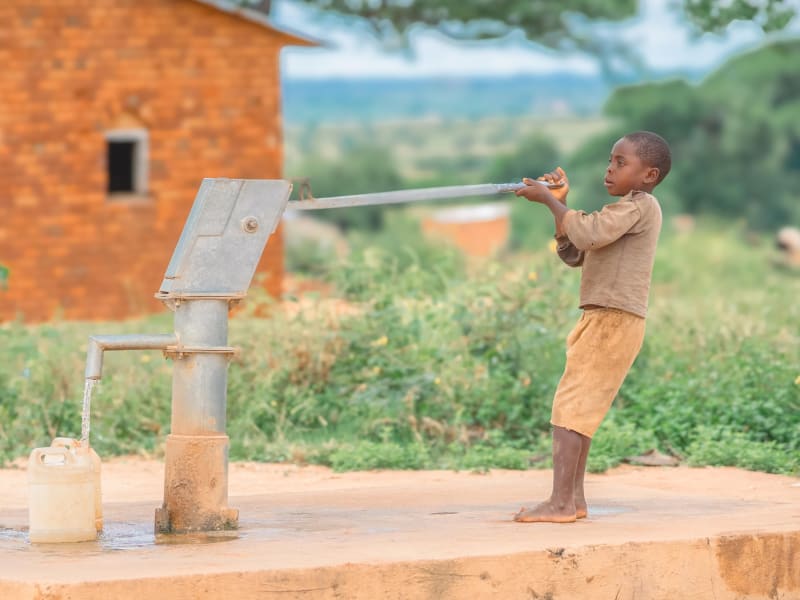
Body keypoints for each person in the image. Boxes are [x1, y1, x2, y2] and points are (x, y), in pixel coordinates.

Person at [512, 130, 671, 523]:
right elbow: (575, 251)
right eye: (610, 160)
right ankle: (574, 500)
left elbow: (586, 231)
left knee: (570, 409)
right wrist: (560, 206)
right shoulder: (624, 212)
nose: (610, 169)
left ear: (648, 176)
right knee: (578, 411)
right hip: (602, 318)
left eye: (621, 163)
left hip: (613, 320)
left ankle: (561, 503)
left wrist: (550, 200)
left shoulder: (639, 207)